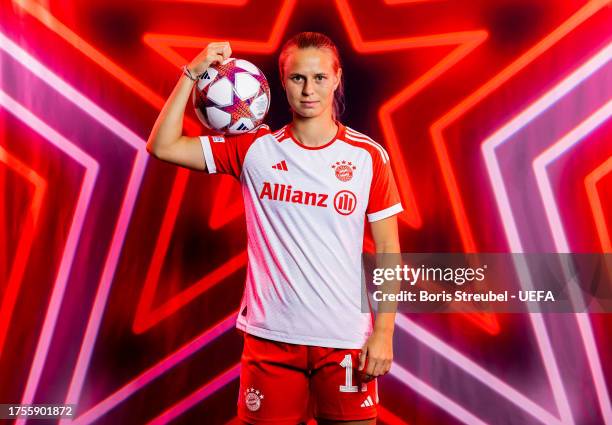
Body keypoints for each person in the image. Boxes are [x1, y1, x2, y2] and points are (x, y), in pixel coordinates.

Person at [147, 31, 402, 425]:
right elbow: (162, 146)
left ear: (337, 79)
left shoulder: (368, 156)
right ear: (280, 83)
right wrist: (191, 73)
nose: (308, 90)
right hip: (270, 340)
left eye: (319, 78)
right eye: (298, 78)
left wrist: (384, 332)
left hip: (346, 343)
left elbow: (388, 252)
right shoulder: (255, 149)